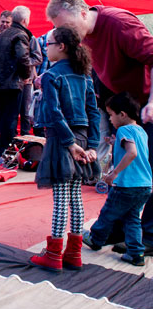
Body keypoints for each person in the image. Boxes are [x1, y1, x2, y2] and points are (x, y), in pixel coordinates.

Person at [46, 0, 153, 253]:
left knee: (147, 169)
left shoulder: (120, 24)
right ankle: (116, 229)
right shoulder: (83, 36)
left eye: (67, 27)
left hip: (146, 103)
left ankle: (149, 235)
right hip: (128, 109)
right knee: (125, 172)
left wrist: (152, 102)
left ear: (83, 13)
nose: (66, 36)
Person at [29, 26, 100, 272]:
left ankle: (53, 254)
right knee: (75, 197)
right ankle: (74, 254)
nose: (45, 48)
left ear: (61, 46)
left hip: (62, 140)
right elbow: (93, 112)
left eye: (48, 44)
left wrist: (69, 143)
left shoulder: (51, 75)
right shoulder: (84, 75)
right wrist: (92, 146)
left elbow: (54, 112)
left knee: (60, 198)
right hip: (82, 139)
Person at [82, 92, 152, 266]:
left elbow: (132, 153)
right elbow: (136, 150)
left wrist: (115, 173)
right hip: (144, 185)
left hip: (126, 185)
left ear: (122, 114)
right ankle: (136, 253)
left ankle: (95, 238)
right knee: (132, 219)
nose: (110, 119)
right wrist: (115, 143)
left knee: (108, 213)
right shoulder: (141, 131)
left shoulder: (123, 130)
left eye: (111, 114)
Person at [0, 5, 32, 155]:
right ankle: (5, 148)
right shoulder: (20, 35)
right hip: (12, 82)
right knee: (11, 116)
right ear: (25, 20)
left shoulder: (1, 34)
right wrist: (26, 75)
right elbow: (22, 57)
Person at [19, 35, 43, 135]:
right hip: (9, 80)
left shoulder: (30, 38)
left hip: (26, 80)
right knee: (10, 111)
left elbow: (38, 58)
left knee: (25, 110)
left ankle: (25, 135)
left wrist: (23, 62)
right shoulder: (1, 35)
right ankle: (10, 137)